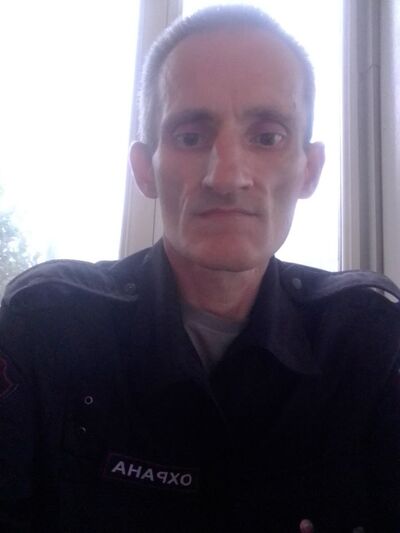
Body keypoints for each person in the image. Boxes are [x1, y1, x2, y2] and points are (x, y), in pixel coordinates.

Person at [0, 5, 399, 532]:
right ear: (144, 170)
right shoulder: (44, 329)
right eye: (190, 136)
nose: (226, 176)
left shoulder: (370, 341)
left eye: (267, 136)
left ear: (310, 169)